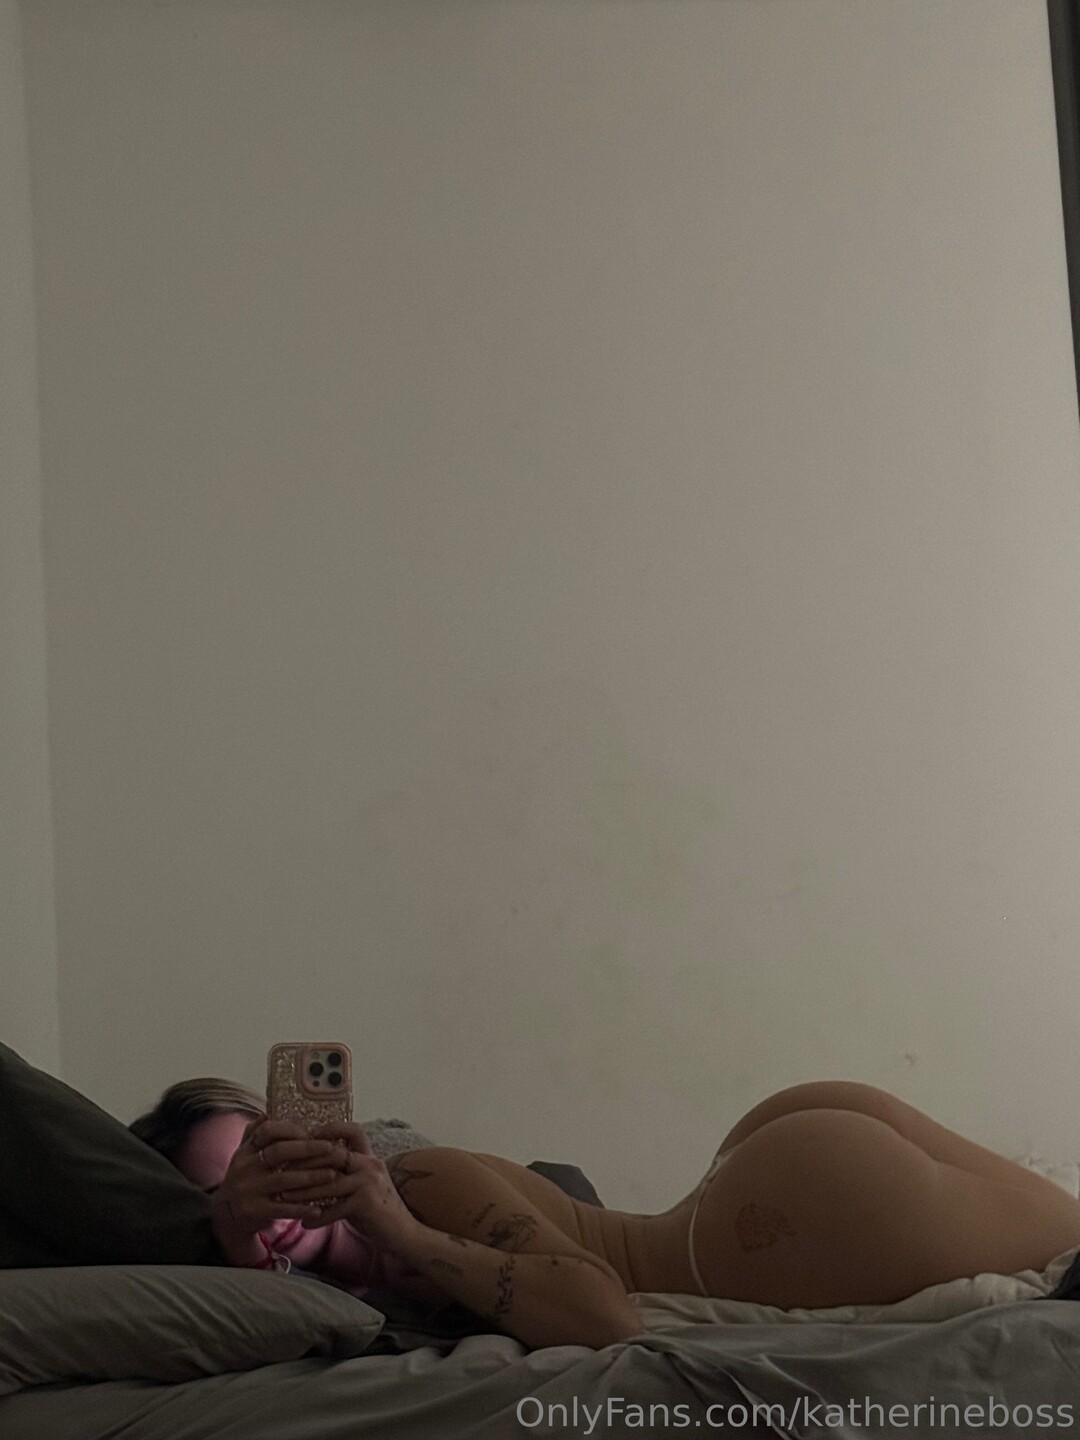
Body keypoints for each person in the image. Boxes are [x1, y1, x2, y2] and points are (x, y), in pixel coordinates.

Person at [131, 1078, 1080, 1351]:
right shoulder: (272, 1277)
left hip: (772, 1221)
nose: (269, 1191)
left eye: (262, 1152)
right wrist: (232, 1238)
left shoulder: (418, 1179)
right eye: (225, 1190)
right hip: (759, 1188)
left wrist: (398, 1227)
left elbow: (606, 1315)